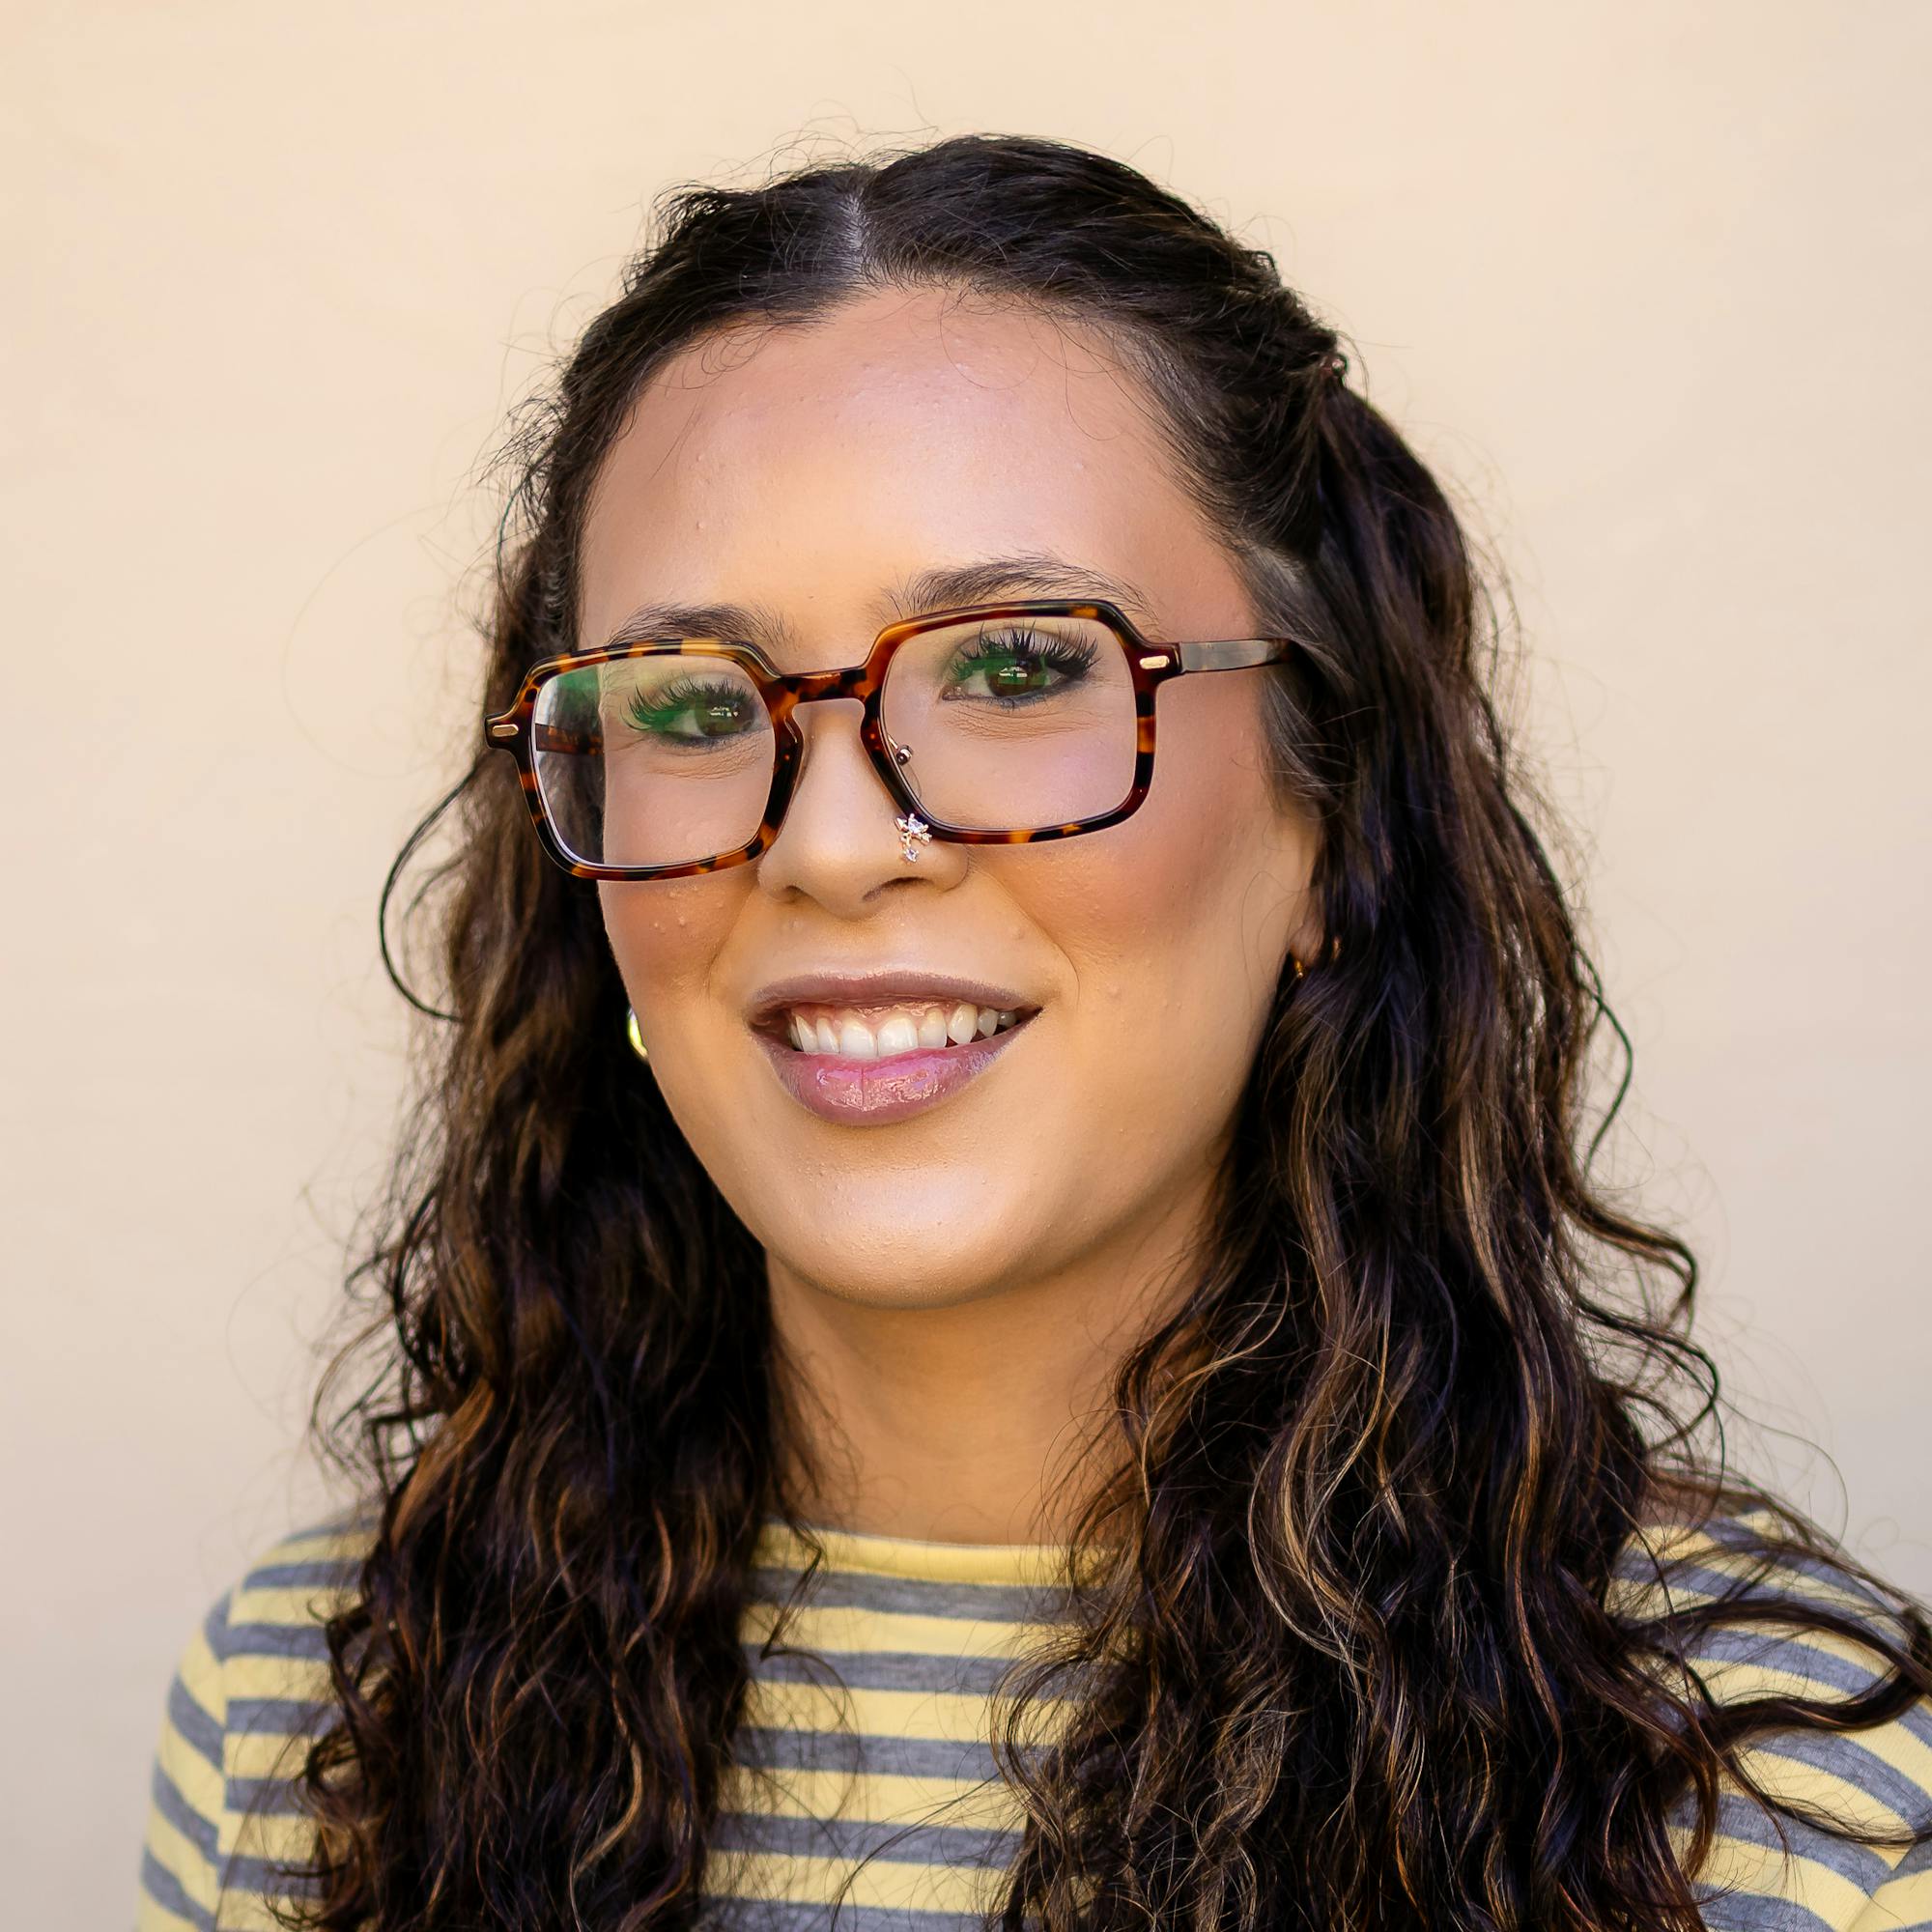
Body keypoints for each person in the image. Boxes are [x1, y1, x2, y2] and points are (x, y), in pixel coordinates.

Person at [137, 132, 1932, 1932]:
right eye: (691, 703)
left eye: (1014, 668)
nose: (830, 844)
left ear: (1330, 818)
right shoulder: (315, 1725)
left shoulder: (1789, 1807)